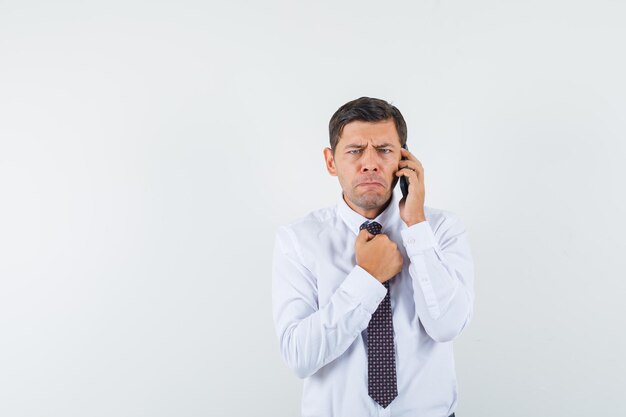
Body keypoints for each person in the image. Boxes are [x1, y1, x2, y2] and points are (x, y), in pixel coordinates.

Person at [271, 96, 474, 417]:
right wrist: (367, 279)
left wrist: (417, 226)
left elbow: (447, 326)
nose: (370, 163)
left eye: (384, 150)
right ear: (330, 161)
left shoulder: (443, 229)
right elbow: (299, 357)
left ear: (404, 160)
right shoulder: (298, 240)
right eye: (354, 151)